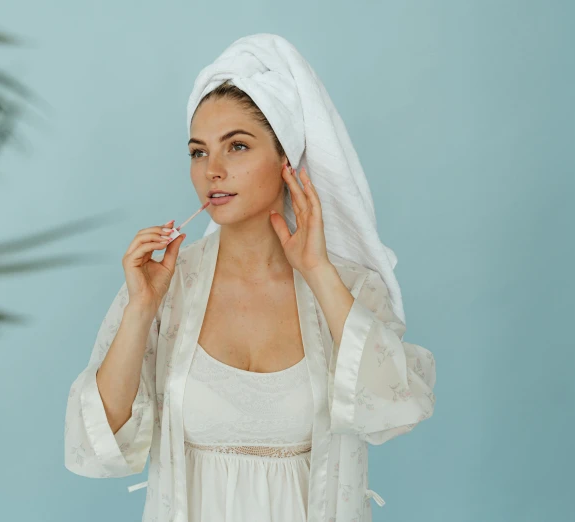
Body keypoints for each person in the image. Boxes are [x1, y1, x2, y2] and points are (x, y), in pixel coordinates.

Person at [64, 34, 437, 522]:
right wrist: (140, 309)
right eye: (198, 152)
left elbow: (397, 408)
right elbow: (97, 443)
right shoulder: (166, 288)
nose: (212, 170)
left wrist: (319, 271)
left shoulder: (347, 286)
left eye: (236, 146)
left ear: (287, 161)